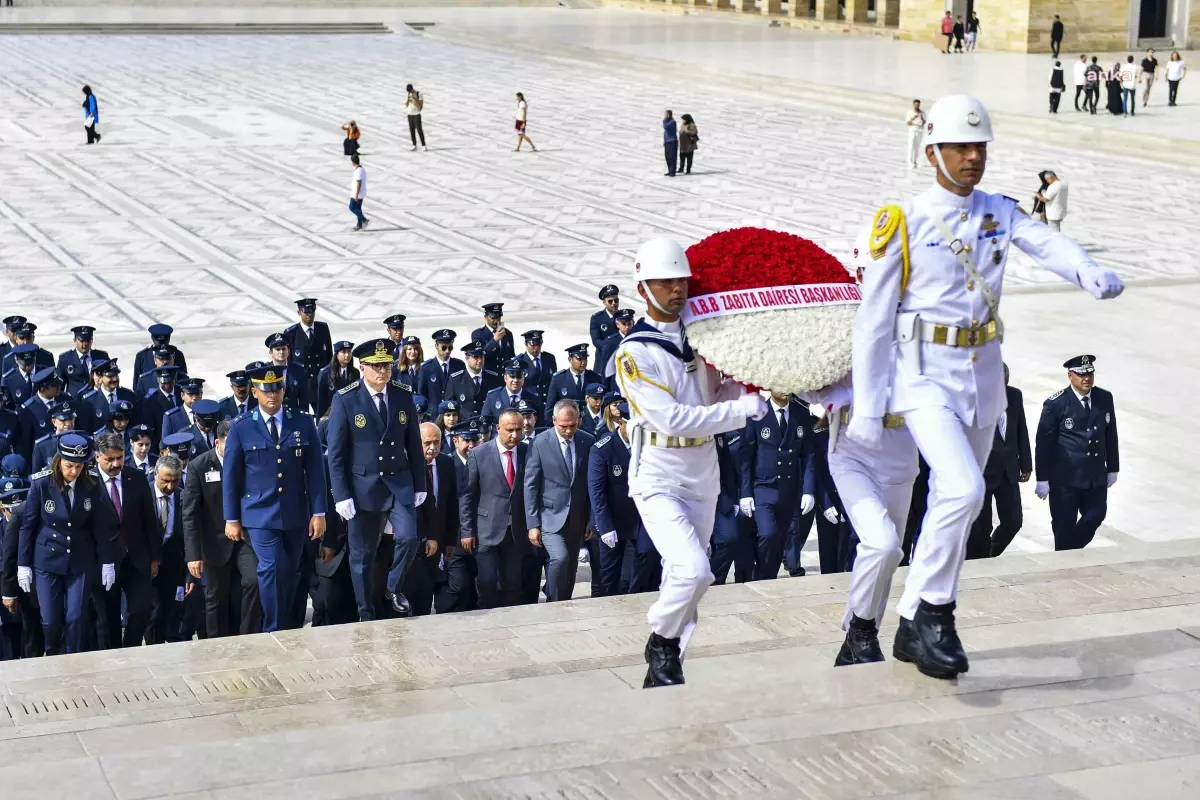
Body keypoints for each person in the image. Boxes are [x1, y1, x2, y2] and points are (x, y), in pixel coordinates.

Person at [848, 94, 1123, 680]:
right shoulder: (904, 219)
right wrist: (868, 408)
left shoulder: (998, 209)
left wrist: (1085, 270)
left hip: (980, 374)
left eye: (980, 147)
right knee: (964, 489)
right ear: (932, 153)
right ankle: (937, 613)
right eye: (960, 147)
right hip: (921, 373)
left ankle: (906, 622)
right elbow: (873, 319)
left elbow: (1044, 241)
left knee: (957, 499)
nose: (973, 157)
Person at [614, 237, 767, 687]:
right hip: (658, 470)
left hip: (703, 471)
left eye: (681, 280)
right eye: (664, 282)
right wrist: (740, 411)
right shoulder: (633, 353)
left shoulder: (702, 335)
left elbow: (715, 392)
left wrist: (748, 389)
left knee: (686, 579)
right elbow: (675, 419)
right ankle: (660, 639)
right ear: (643, 288)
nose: (677, 289)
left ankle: (666, 669)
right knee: (694, 570)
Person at [325, 338, 426, 621]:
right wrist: (341, 495)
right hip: (364, 487)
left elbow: (414, 443)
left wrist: (420, 484)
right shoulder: (346, 399)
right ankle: (365, 610)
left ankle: (393, 588)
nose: (383, 372)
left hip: (398, 482)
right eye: (377, 366)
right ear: (362, 367)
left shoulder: (402, 394)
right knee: (362, 557)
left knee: (408, 537)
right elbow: (336, 454)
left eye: (387, 366)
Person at [221, 365, 327, 633]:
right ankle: (273, 628)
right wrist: (231, 518)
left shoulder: (302, 422)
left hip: (294, 512)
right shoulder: (241, 427)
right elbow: (231, 477)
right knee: (270, 570)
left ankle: (286, 626)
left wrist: (319, 512)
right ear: (255, 392)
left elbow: (315, 471)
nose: (273, 395)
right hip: (258, 513)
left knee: (289, 573)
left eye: (277, 389)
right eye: (266, 390)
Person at [18, 434, 118, 654]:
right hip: (48, 560)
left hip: (80, 559)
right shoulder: (42, 483)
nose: (74, 472)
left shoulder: (91, 484)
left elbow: (99, 526)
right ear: (58, 460)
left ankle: (73, 661)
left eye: (79, 466)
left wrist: (107, 562)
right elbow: (28, 526)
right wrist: (23, 565)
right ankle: (52, 653)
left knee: (76, 617)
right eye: (69, 465)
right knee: (51, 621)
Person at [182, 419, 261, 638]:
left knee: (253, 581)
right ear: (217, 442)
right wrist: (193, 555)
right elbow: (190, 514)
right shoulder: (199, 466)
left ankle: (247, 636)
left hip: (245, 539)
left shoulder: (247, 462)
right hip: (214, 542)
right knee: (215, 596)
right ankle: (216, 644)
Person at [1035, 355, 1119, 551]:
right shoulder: (1056, 403)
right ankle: (1064, 560)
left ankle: (1067, 551)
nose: (1086, 378)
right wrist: (1042, 478)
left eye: (1089, 373)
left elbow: (1111, 433)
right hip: (1066, 479)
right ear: (1070, 375)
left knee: (1095, 516)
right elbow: (1043, 443)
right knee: (1063, 526)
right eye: (1081, 374)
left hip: (1095, 476)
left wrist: (1113, 468)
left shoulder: (1104, 398)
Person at [739, 392, 815, 580]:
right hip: (764, 487)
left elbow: (808, 454)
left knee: (780, 540)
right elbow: (746, 455)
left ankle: (768, 579)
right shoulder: (758, 413)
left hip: (789, 490)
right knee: (768, 534)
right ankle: (761, 576)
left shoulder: (801, 413)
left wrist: (808, 490)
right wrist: (745, 493)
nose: (782, 389)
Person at [525, 400, 594, 602]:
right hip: (549, 516)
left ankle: (563, 603)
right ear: (554, 420)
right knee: (560, 558)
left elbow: (591, 484)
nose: (568, 430)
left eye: (573, 425)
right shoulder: (540, 442)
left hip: (577, 517)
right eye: (563, 426)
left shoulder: (587, 441)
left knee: (571, 567)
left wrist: (591, 519)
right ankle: (552, 599)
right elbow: (531, 485)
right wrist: (533, 524)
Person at [460, 408, 529, 608]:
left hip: (516, 530)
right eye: (509, 430)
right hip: (486, 530)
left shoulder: (527, 451)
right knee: (487, 581)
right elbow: (467, 496)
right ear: (498, 428)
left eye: (518, 430)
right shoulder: (479, 454)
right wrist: (467, 530)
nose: (515, 435)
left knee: (513, 584)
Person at [965, 364, 1031, 559]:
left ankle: (990, 554)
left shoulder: (1015, 396)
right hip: (982, 472)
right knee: (982, 527)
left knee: (1013, 522)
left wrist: (1026, 463)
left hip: (1008, 471)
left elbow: (1021, 430)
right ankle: (980, 561)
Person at [283, 298, 333, 413]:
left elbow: (329, 355)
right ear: (299, 313)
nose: (309, 315)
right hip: (301, 384)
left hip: (320, 383)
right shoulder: (291, 333)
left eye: (312, 312)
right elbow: (289, 362)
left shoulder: (323, 328)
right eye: (306, 312)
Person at [416, 329, 462, 411]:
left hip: (453, 415)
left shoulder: (459, 365)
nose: (447, 351)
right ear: (436, 346)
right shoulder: (426, 368)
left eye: (450, 348)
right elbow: (422, 395)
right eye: (444, 348)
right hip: (434, 415)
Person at [57, 325, 108, 396]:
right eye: (82, 341)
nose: (85, 344)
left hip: (97, 399)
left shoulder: (101, 356)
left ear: (92, 340)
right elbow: (59, 385)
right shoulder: (65, 359)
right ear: (74, 340)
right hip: (74, 401)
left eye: (88, 340)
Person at [316, 341, 356, 421]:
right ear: (337, 354)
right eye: (343, 352)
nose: (347, 355)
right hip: (332, 416)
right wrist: (320, 422)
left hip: (350, 416)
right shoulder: (325, 373)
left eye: (349, 351)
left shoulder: (355, 373)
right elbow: (321, 401)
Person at [348, 154, 369, 231]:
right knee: (358, 209)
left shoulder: (359, 171)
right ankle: (359, 225)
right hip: (360, 193)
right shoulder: (361, 169)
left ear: (353, 162)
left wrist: (356, 194)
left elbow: (359, 182)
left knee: (352, 207)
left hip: (357, 194)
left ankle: (364, 220)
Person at [405, 84, 427, 151]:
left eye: (410, 91)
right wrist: (408, 100)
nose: (410, 92)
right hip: (409, 114)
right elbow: (406, 104)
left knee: (419, 130)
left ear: (412, 89)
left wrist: (415, 99)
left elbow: (420, 106)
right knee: (412, 130)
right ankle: (414, 145)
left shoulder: (419, 93)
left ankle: (424, 145)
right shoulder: (409, 94)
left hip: (416, 114)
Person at [905, 100, 926, 169]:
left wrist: (923, 120)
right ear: (913, 105)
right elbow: (908, 123)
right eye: (915, 105)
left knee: (917, 147)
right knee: (911, 146)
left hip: (920, 130)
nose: (917, 106)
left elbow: (924, 123)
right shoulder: (910, 112)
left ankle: (915, 161)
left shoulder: (922, 113)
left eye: (918, 105)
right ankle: (909, 162)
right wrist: (914, 118)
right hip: (913, 130)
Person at [662, 110, 678, 177]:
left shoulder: (673, 122)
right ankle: (669, 171)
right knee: (667, 157)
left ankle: (672, 172)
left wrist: (664, 120)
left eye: (666, 114)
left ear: (669, 115)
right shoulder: (668, 121)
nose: (665, 116)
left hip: (672, 142)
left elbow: (666, 127)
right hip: (667, 142)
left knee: (672, 157)